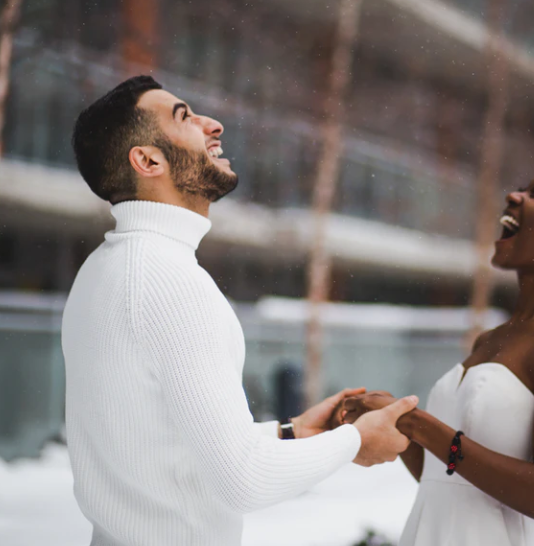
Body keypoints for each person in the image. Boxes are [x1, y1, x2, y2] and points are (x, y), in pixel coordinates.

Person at [62, 75, 418, 546]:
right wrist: (357, 440)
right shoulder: (167, 280)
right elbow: (242, 478)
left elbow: (171, 452)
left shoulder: (105, 269)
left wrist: (293, 433)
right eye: (184, 117)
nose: (214, 125)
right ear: (147, 160)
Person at [342, 167, 534, 545]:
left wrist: (419, 424)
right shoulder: (490, 339)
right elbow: (447, 477)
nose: (513, 197)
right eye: (521, 188)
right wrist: (394, 418)